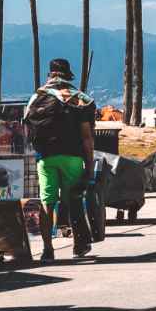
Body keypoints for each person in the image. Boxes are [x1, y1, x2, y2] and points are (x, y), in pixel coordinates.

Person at [22, 58, 96, 262]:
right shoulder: (80, 99)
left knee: (47, 203)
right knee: (73, 200)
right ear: (67, 76)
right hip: (72, 156)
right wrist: (89, 166)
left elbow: (26, 127)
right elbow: (87, 138)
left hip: (45, 157)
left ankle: (47, 249)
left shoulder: (37, 97)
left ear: (50, 74)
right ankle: (78, 244)